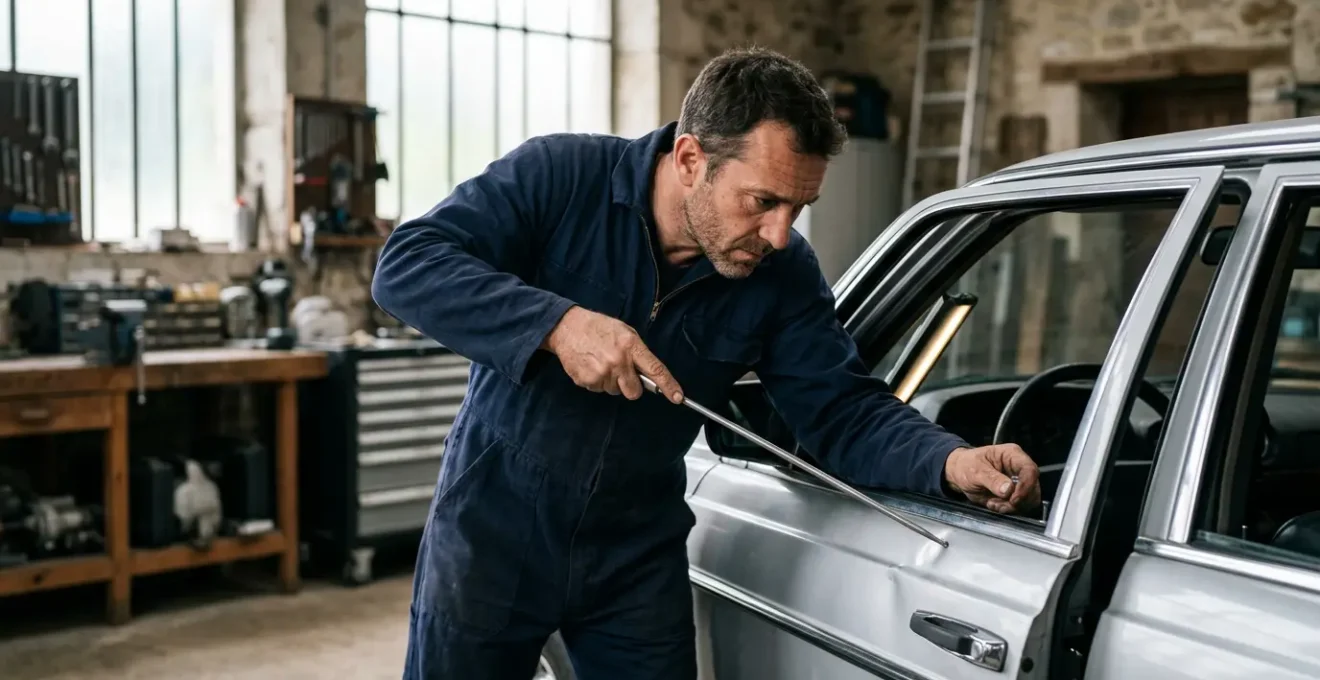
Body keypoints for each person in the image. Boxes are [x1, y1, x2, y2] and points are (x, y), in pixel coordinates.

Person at [372, 46, 1041, 680]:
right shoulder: (560, 177)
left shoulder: (784, 274)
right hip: (493, 535)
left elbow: (840, 411)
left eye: (798, 208)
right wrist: (557, 325)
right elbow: (407, 264)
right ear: (690, 159)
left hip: (635, 553)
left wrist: (949, 461)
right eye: (763, 203)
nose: (781, 234)